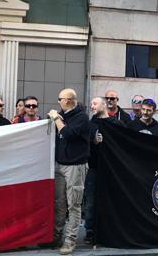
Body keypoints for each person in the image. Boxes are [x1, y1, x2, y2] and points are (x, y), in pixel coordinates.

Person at [47, 88, 90, 255]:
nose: (58, 101)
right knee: (59, 203)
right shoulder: (62, 114)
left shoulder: (81, 117)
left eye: (60, 98)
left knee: (74, 204)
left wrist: (57, 118)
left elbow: (67, 133)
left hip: (75, 166)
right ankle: (56, 236)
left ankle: (70, 240)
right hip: (59, 164)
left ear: (69, 100)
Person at [83, 96, 125, 245]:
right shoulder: (90, 124)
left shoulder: (116, 123)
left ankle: (111, 229)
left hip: (112, 171)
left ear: (103, 104)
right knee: (90, 202)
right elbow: (84, 145)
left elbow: (124, 144)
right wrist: (93, 141)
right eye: (91, 104)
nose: (92, 106)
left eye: (95, 103)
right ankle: (90, 231)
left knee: (112, 200)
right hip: (94, 169)